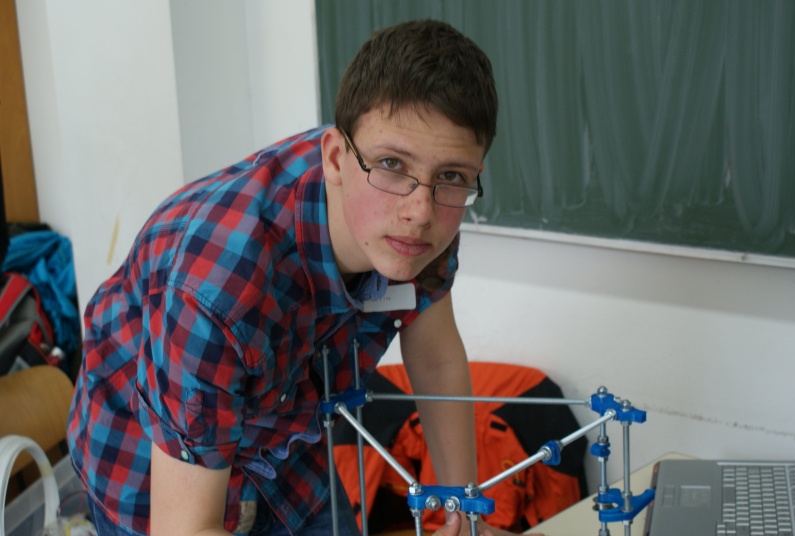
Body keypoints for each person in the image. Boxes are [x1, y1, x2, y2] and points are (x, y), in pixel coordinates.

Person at [68, 19, 535, 536]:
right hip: (151, 466)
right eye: (392, 164)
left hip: (284, 441)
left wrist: (462, 510)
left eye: (450, 175)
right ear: (336, 158)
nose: (419, 210)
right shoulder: (219, 290)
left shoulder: (423, 219)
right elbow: (186, 528)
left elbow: (436, 356)